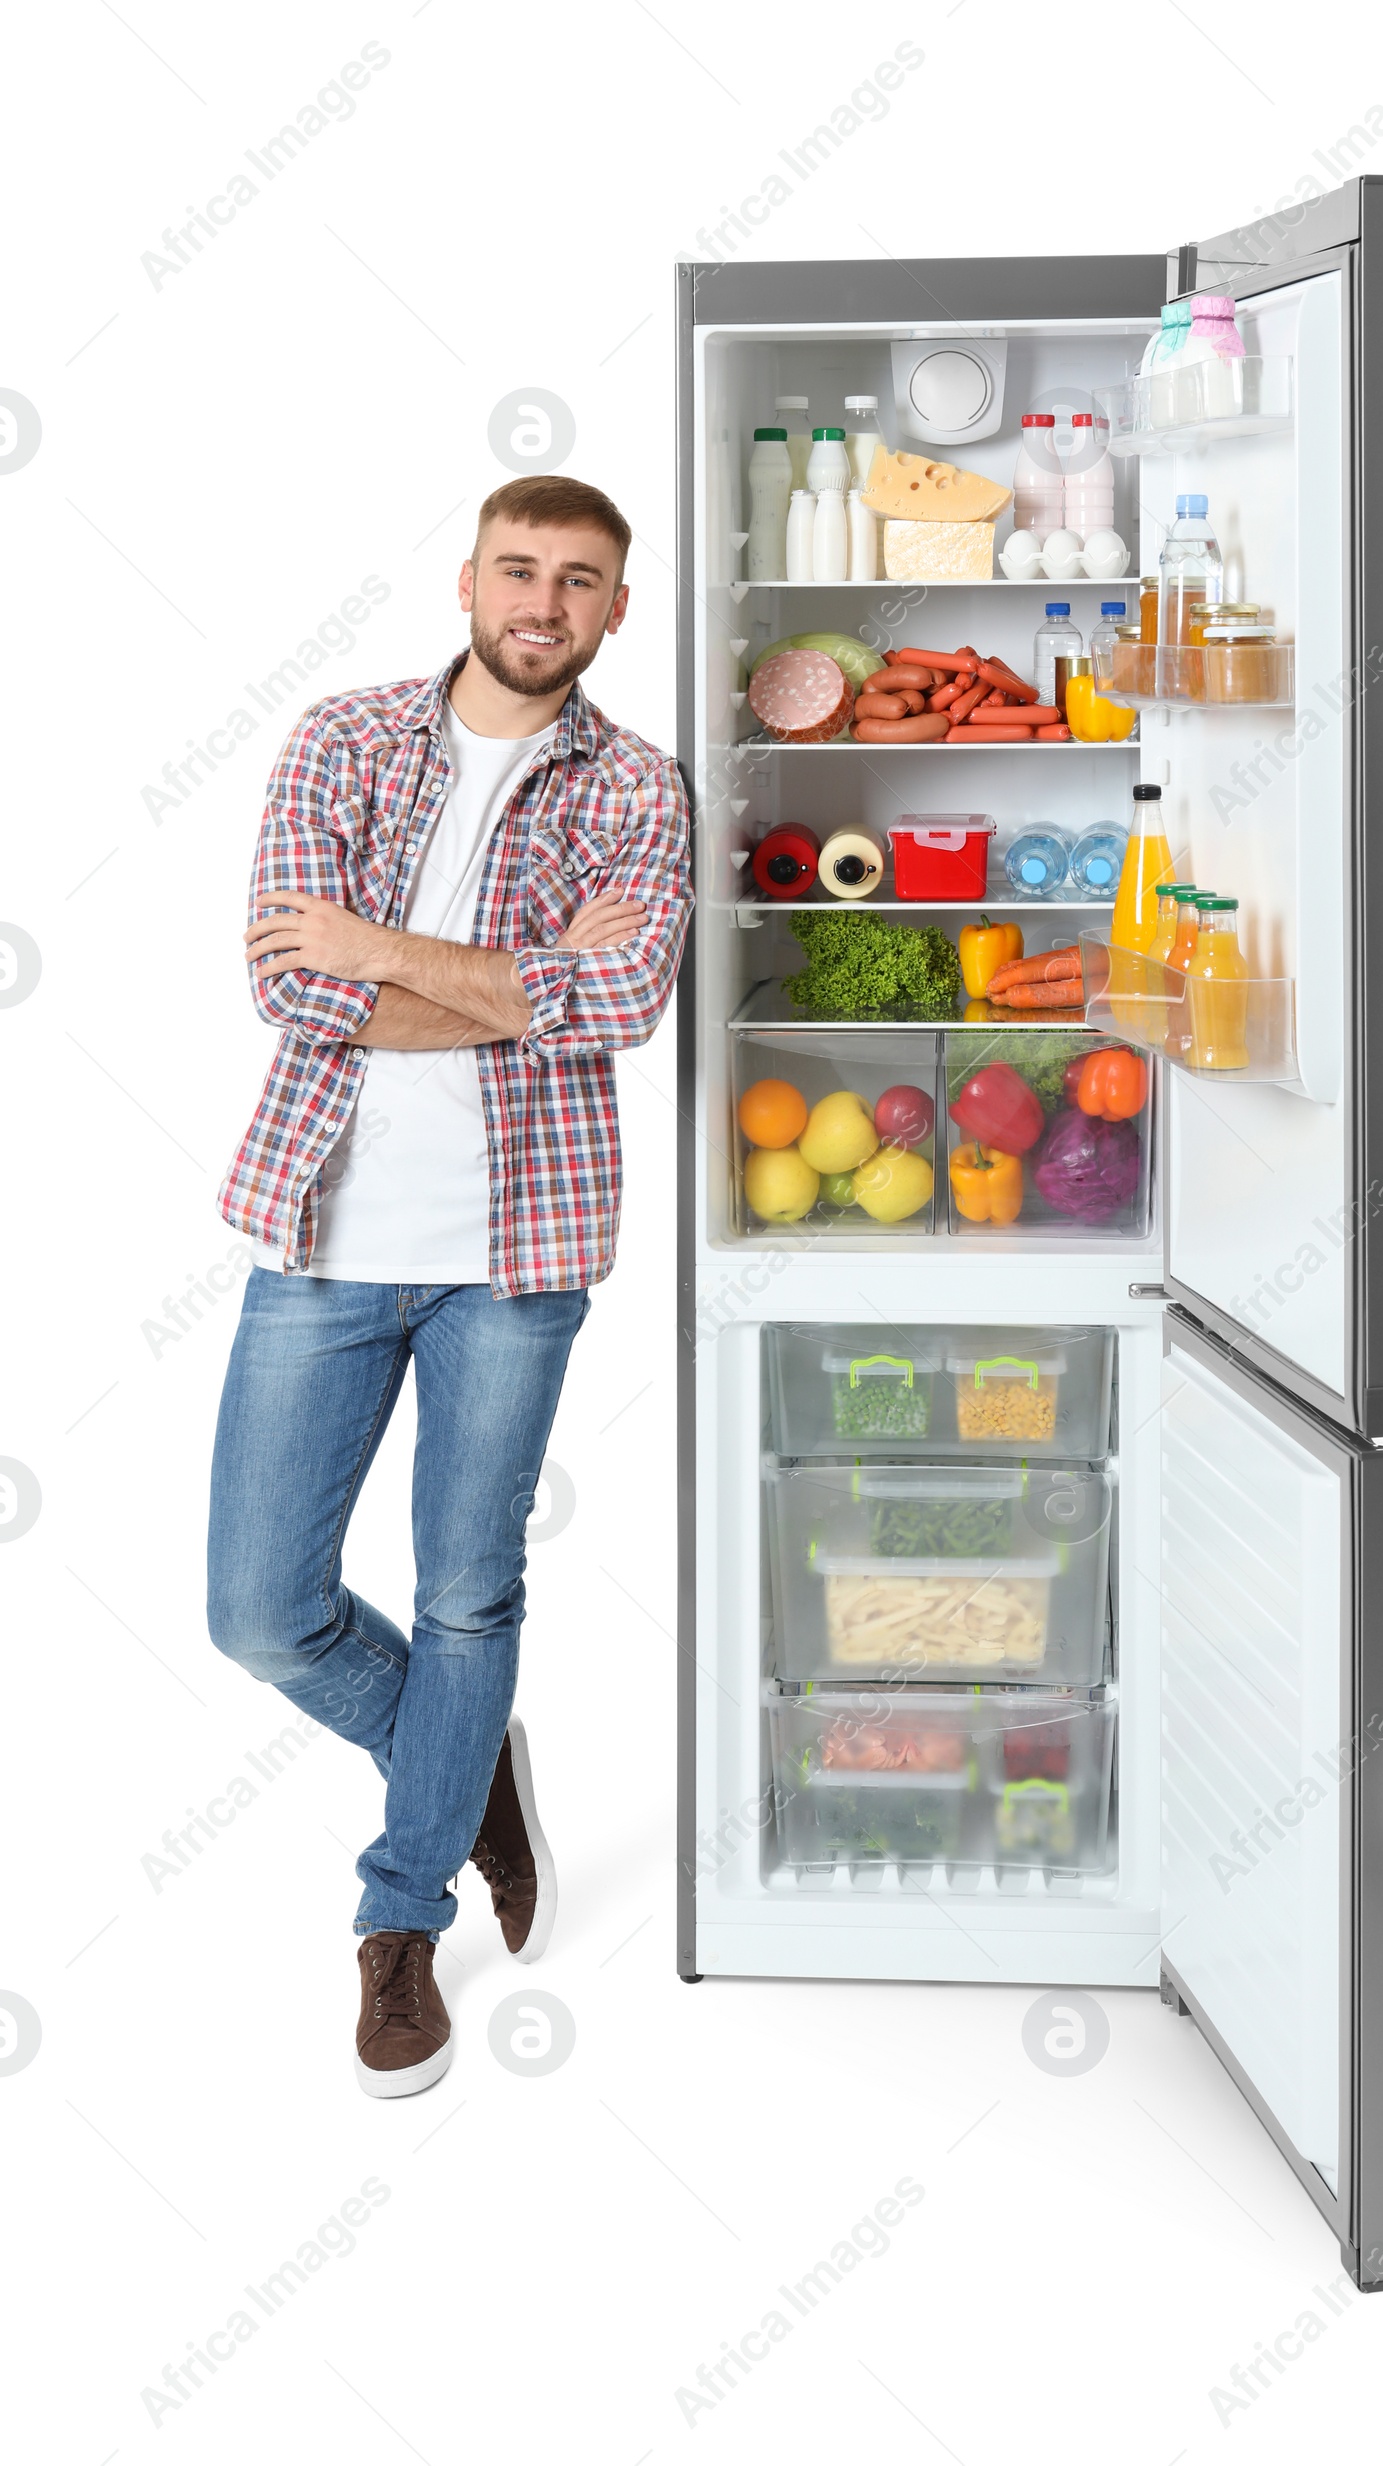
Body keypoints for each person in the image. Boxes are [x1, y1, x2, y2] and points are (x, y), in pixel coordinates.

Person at [207, 474, 690, 2097]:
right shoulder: (344, 738)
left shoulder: (640, 785)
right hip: (326, 1235)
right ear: (467, 580)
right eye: (518, 568)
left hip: (517, 1253)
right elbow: (287, 984)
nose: (542, 601)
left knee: (470, 1589)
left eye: (580, 579)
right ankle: (463, 1759)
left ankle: (400, 1921)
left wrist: (380, 946)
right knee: (259, 1608)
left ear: (619, 607)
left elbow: (622, 999)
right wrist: (499, 985)